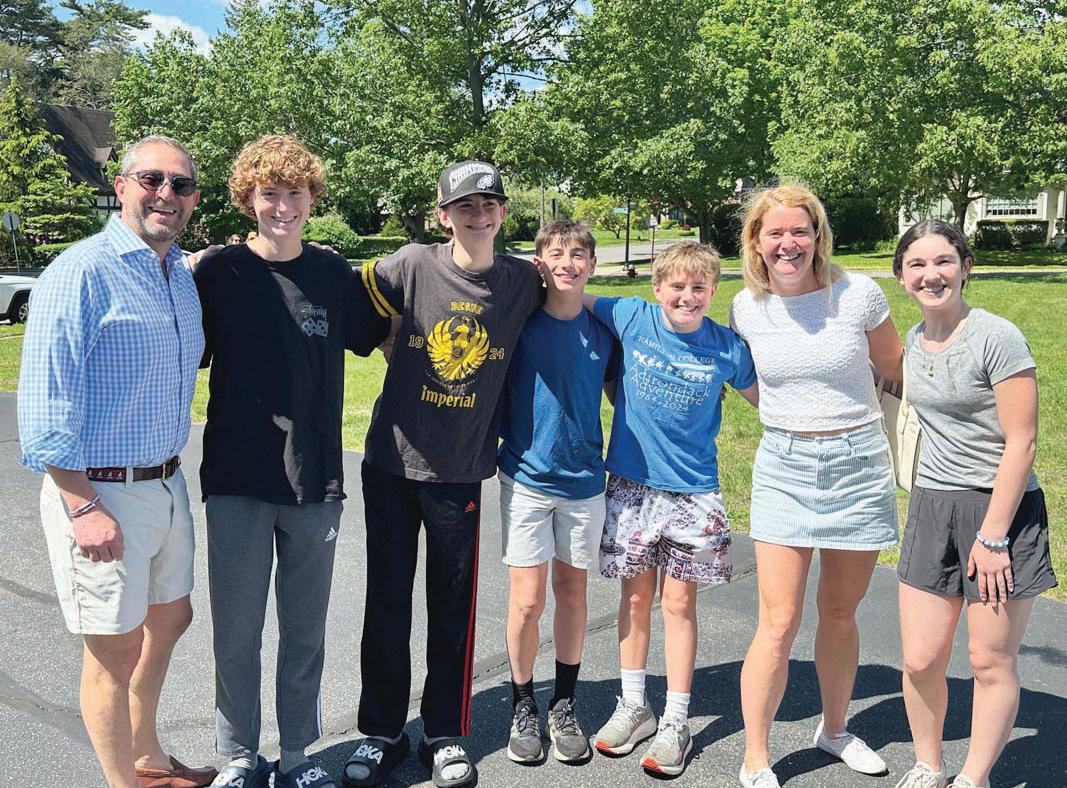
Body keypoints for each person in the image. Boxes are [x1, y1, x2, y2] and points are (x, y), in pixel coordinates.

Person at [17, 135, 217, 788]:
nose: (167, 194)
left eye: (180, 184)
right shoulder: (80, 272)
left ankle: (147, 758)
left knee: (171, 618)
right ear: (122, 185)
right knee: (113, 650)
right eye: (152, 179)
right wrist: (82, 506)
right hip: (100, 490)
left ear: (193, 199)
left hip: (165, 480)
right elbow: (45, 404)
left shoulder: (178, 274)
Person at [194, 135, 390, 788]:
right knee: (236, 633)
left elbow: (385, 335)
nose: (283, 206)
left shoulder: (332, 273)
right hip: (236, 479)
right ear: (247, 199)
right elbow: (178, 347)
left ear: (313, 198)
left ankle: (299, 756)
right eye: (269, 193)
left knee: (304, 633)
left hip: (315, 481)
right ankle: (238, 757)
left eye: (295, 193)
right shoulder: (218, 273)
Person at [342, 160, 543, 788]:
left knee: (452, 604)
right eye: (464, 206)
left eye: (489, 204)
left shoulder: (523, 281)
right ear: (443, 215)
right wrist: (389, 338)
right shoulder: (410, 264)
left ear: (503, 212)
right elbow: (351, 295)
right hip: (392, 461)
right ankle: (382, 730)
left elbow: (572, 300)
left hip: (460, 469)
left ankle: (445, 732)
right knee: (387, 599)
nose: (478, 215)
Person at [730, 183, 903, 788]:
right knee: (778, 622)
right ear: (756, 242)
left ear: (818, 236)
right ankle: (755, 756)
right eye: (774, 232)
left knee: (839, 612)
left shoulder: (858, 294)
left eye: (799, 231)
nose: (788, 243)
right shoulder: (745, 307)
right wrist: (784, 415)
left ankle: (834, 730)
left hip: (859, 465)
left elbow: (896, 367)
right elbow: (746, 378)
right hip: (784, 467)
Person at [891, 220, 1056, 788]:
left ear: (965, 267)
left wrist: (993, 536)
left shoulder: (996, 337)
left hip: (1000, 512)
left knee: (988, 661)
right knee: (920, 659)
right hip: (933, 507)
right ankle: (928, 765)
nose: (931, 274)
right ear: (901, 276)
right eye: (917, 264)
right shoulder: (914, 339)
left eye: (943, 261)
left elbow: (1023, 441)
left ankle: (974, 777)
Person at [587, 241, 759, 778]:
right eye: (677, 286)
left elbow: (771, 402)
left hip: (694, 493)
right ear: (657, 287)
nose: (687, 296)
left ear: (713, 291)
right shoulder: (632, 316)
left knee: (679, 606)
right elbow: (571, 294)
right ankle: (633, 704)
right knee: (636, 598)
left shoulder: (727, 348)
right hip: (632, 486)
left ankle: (676, 719)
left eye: (699, 287)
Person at [496, 220, 617, 765]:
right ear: (539, 262)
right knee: (528, 599)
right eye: (556, 253)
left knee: (572, 592)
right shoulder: (519, 325)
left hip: (584, 481)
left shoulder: (604, 332)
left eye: (578, 254)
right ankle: (522, 702)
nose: (567, 262)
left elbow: (624, 396)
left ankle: (563, 704)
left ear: (592, 264)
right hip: (525, 478)